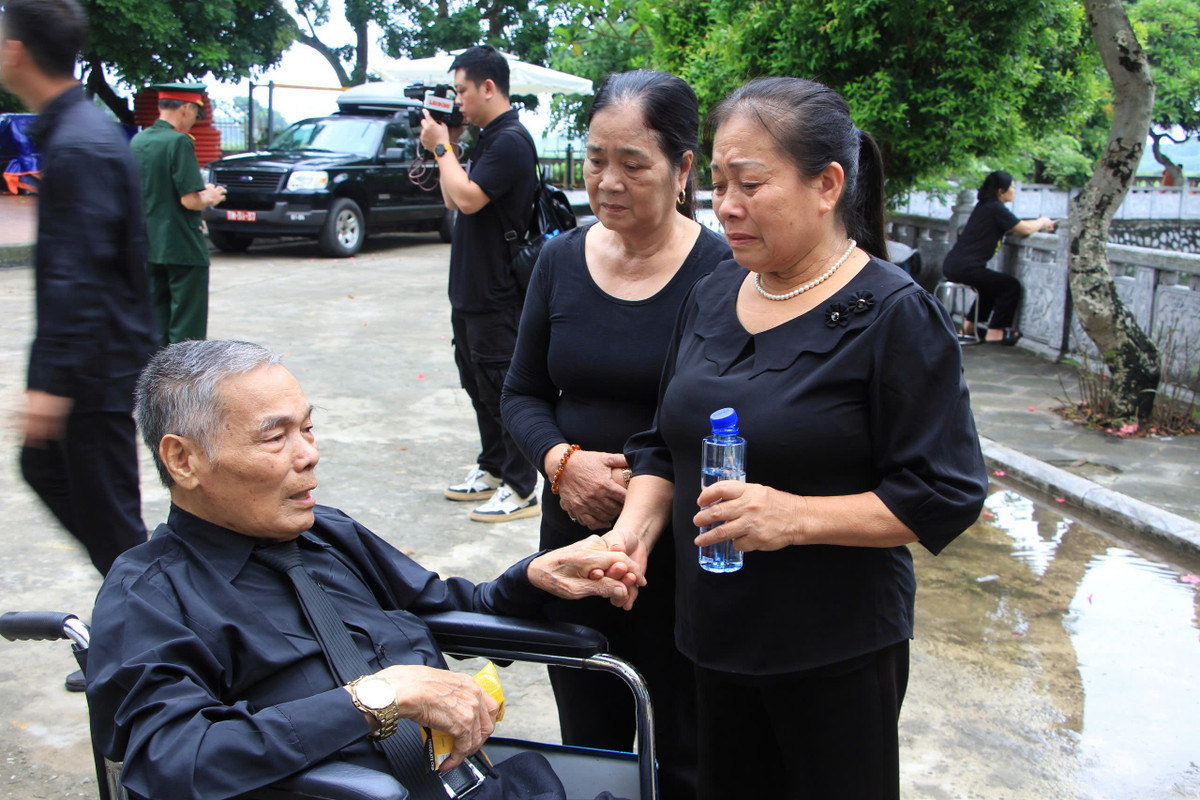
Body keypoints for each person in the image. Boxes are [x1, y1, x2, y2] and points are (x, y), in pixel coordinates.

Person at [602, 77, 989, 800]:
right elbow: (663, 444)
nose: (727, 205)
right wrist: (630, 534)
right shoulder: (714, 293)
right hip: (707, 637)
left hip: (831, 652)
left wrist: (796, 518)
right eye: (718, 182)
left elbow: (945, 491)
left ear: (827, 185)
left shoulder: (895, 315)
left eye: (750, 183)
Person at [86, 339, 645, 800]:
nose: (308, 454)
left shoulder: (327, 533)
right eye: (274, 437)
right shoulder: (149, 595)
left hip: (474, 783)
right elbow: (171, 759)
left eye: (308, 429)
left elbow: (445, 607)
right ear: (183, 460)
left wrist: (533, 578)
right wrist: (374, 698)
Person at [501, 70, 730, 798]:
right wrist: (561, 462)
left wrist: (635, 511)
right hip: (571, 545)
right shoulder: (560, 260)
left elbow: (715, 418)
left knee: (685, 746)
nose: (609, 180)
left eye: (634, 163)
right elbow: (522, 393)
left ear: (683, 167)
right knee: (589, 739)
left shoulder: (721, 274)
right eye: (597, 158)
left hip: (675, 556)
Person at [1, 0, 157, 690]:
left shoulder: (80, 143)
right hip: (96, 359)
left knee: (112, 519)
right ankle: (149, 623)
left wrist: (52, 387)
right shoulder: (78, 131)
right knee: (72, 489)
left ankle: (165, 636)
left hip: (94, 366)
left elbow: (82, 273)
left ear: (15, 53)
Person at [418, 45, 539, 523]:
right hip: (470, 290)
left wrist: (442, 146)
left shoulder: (510, 140)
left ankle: (521, 486)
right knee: (478, 385)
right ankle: (493, 468)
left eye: (463, 91)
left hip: (497, 292)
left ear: (489, 87)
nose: (458, 101)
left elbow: (468, 199)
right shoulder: (489, 138)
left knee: (503, 386)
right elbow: (453, 196)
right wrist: (444, 146)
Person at [130, 81, 226, 346]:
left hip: (149, 243)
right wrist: (211, 197)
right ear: (185, 108)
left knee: (156, 319)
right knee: (187, 327)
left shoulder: (139, 140)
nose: (194, 120)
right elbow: (190, 201)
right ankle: (182, 384)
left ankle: (154, 381)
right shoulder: (179, 142)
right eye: (195, 113)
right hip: (182, 244)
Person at [941, 170, 1055, 345]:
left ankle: (969, 326)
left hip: (954, 265)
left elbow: (1015, 226)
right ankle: (995, 332)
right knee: (1010, 286)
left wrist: (1038, 224)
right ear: (1001, 191)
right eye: (1012, 188)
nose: (1014, 191)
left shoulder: (985, 206)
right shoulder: (995, 207)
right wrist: (1043, 221)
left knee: (989, 287)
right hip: (966, 267)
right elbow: (1024, 228)